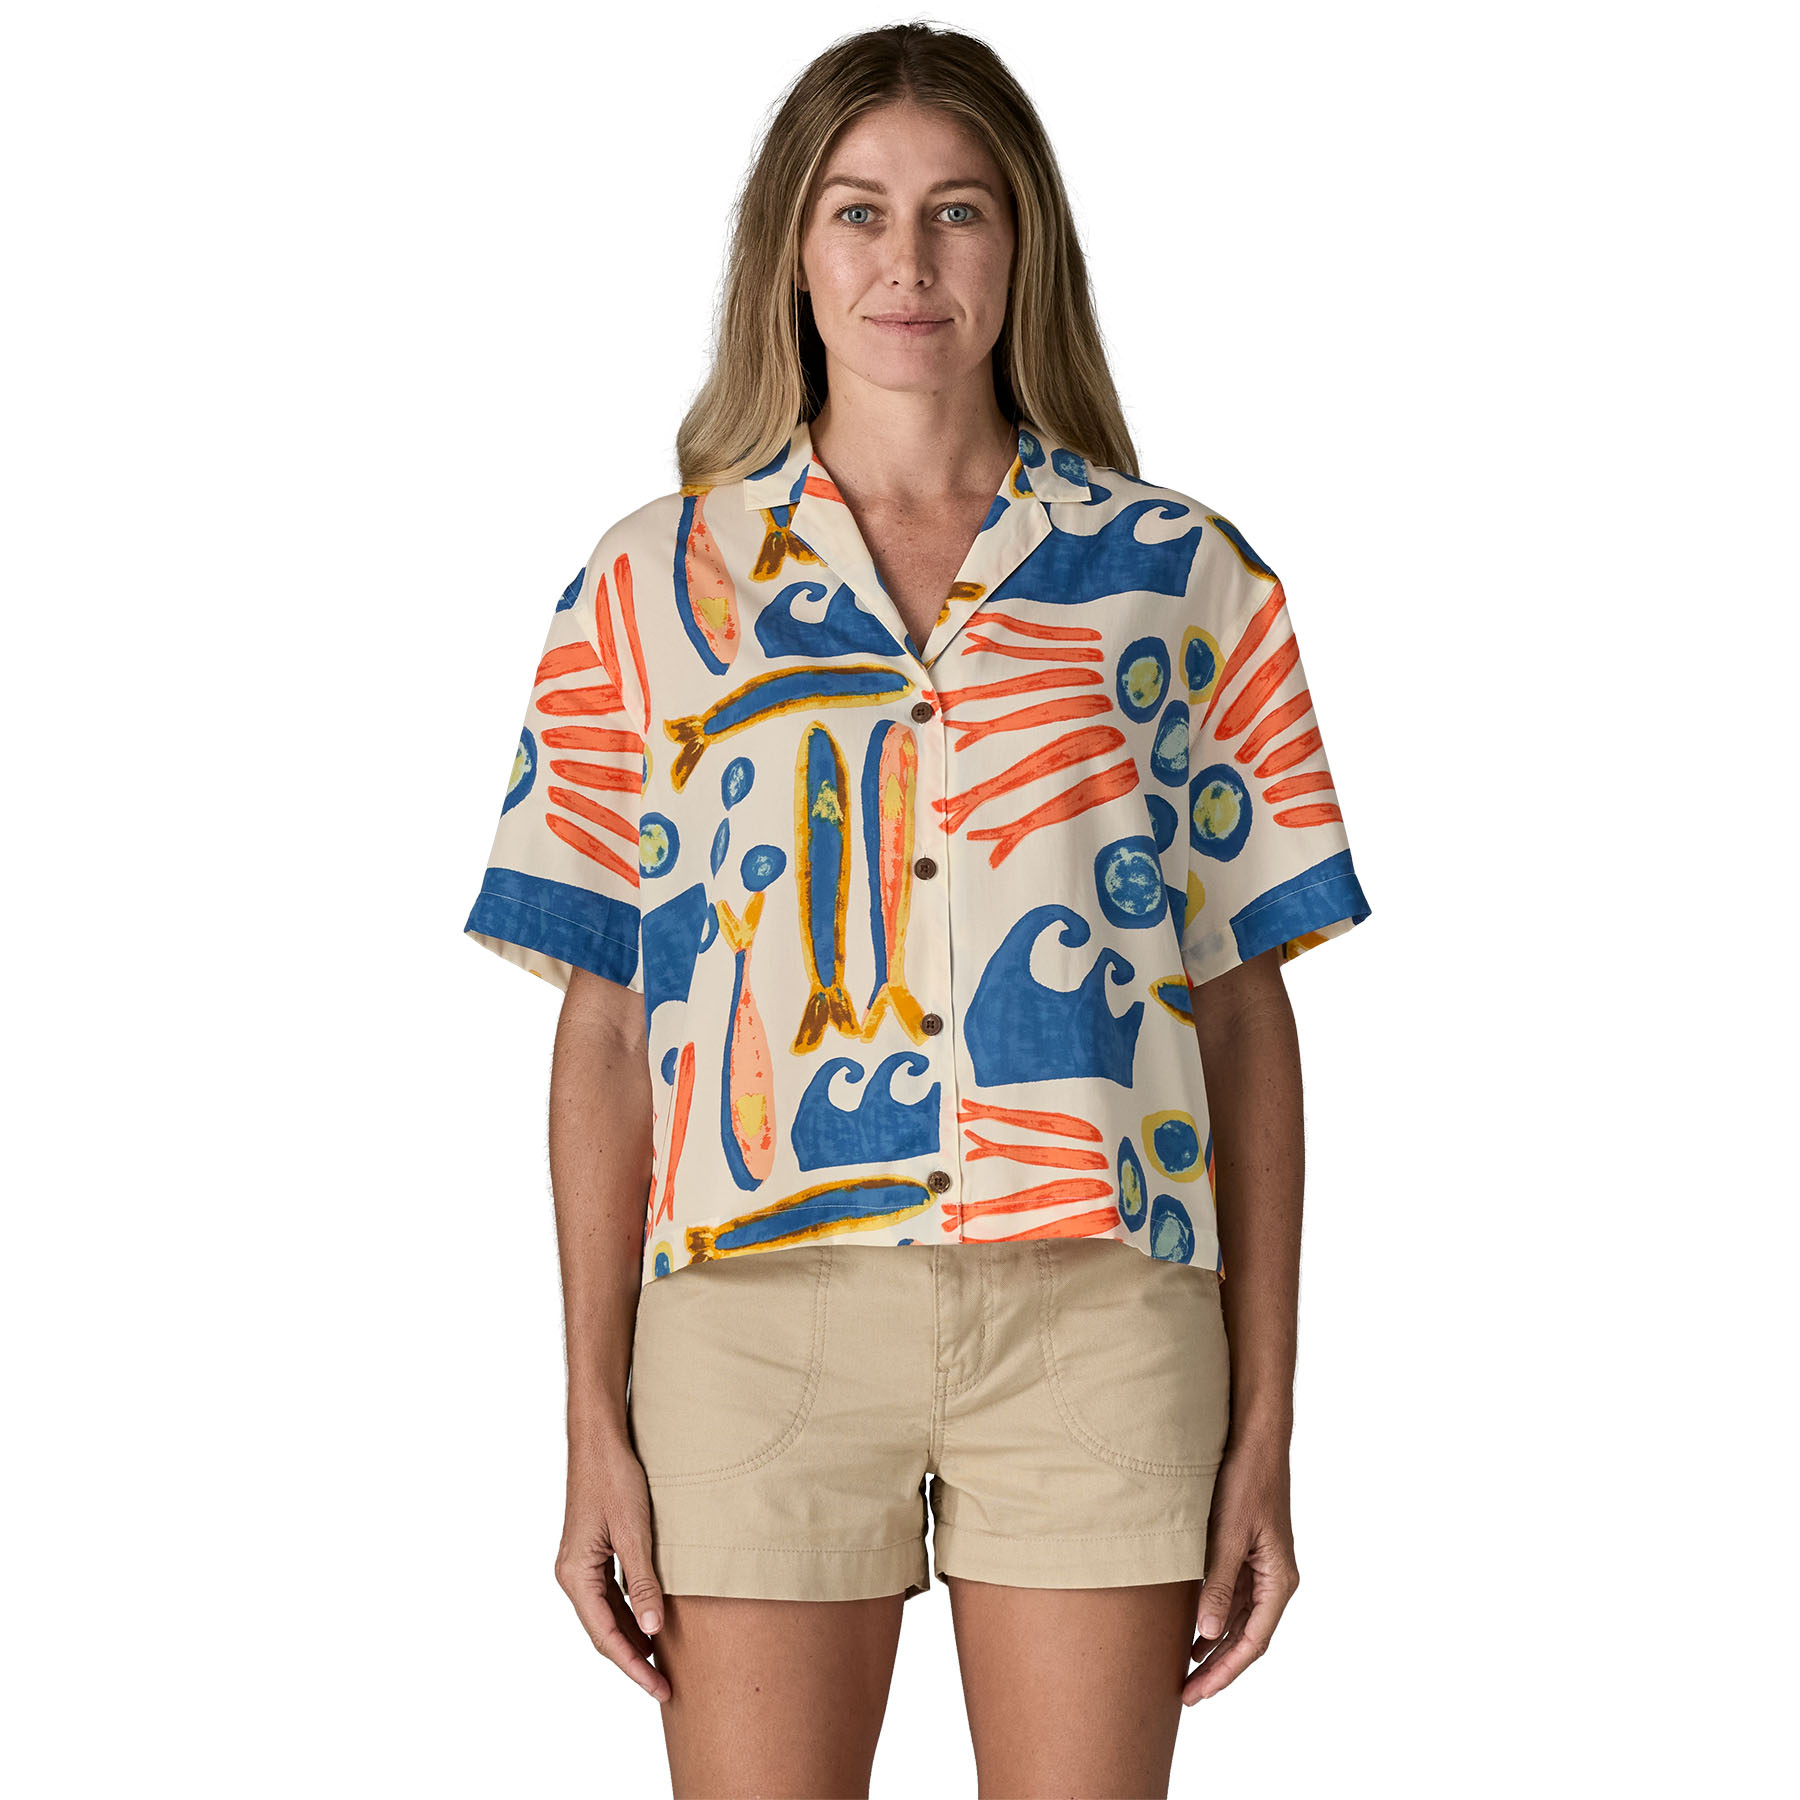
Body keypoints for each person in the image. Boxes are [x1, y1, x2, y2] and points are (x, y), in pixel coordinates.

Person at [462, 22, 1371, 1797]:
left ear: (1023, 245)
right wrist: (588, 1418)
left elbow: (1244, 1012)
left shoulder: (1182, 578)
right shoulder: (649, 585)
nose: (907, 259)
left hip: (1099, 1317)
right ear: (792, 253)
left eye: (959, 210)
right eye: (857, 210)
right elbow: (607, 1027)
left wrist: (1266, 1420)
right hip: (753, 1321)